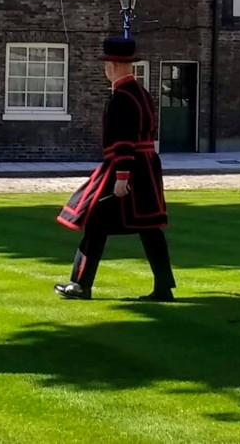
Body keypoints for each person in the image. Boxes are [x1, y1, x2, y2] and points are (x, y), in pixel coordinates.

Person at [54, 36, 176, 302]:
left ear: (113, 65)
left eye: (107, 63)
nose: (105, 69)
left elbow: (122, 140)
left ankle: (81, 284)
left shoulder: (120, 98)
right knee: (149, 226)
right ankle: (164, 287)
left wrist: (122, 177)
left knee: (96, 220)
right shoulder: (143, 94)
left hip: (129, 167)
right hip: (148, 167)